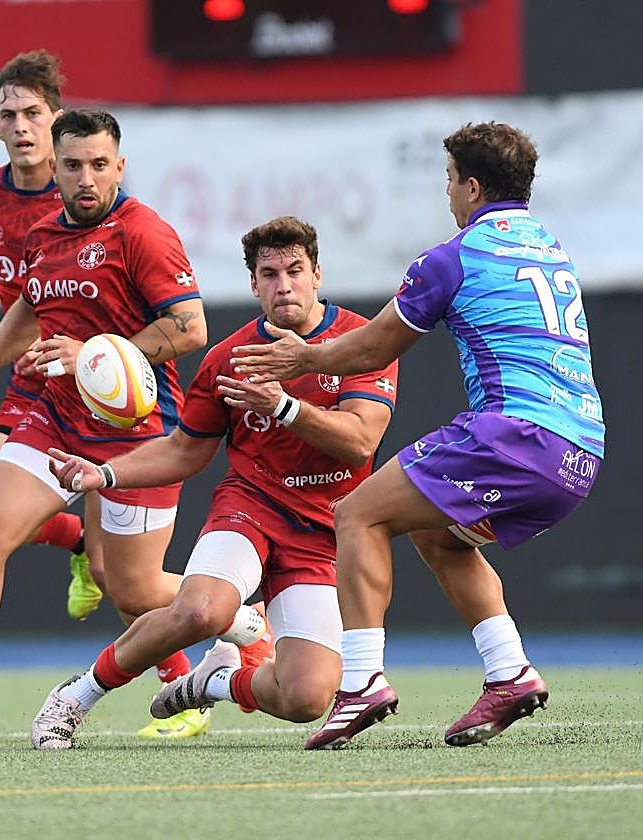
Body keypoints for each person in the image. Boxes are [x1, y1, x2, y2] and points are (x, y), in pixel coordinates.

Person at [232, 122, 604, 749]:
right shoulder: (550, 249)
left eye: (451, 180)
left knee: (355, 515)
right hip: (581, 451)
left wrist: (305, 361)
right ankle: (508, 671)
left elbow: (376, 344)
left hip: (515, 435)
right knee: (439, 535)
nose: (449, 194)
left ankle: (360, 684)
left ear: (473, 186)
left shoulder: (453, 257)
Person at [0, 108, 248, 742]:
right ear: (54, 169)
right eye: (73, 165)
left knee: (135, 589)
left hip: (135, 432)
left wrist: (89, 354)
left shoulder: (144, 233)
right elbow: (30, 307)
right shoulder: (42, 234)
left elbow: (191, 329)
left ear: (120, 165)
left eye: (98, 164)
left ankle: (245, 625)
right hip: (55, 418)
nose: (86, 177)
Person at [30, 216, 398, 748]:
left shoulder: (360, 342)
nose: (284, 285)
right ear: (253, 284)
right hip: (250, 509)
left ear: (318, 273)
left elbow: (362, 440)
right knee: (202, 610)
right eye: (269, 274)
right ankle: (73, 698)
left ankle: (213, 681)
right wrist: (105, 473)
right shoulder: (228, 357)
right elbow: (184, 450)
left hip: (323, 532)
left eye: (295, 270)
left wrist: (286, 407)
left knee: (306, 698)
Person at [0, 50, 101, 621]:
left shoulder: (82, 197)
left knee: (123, 572)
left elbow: (60, 299)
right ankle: (77, 540)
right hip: (31, 382)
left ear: (57, 119)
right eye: (8, 115)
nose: (20, 126)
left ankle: (213, 651)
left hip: (93, 382)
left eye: (33, 113)